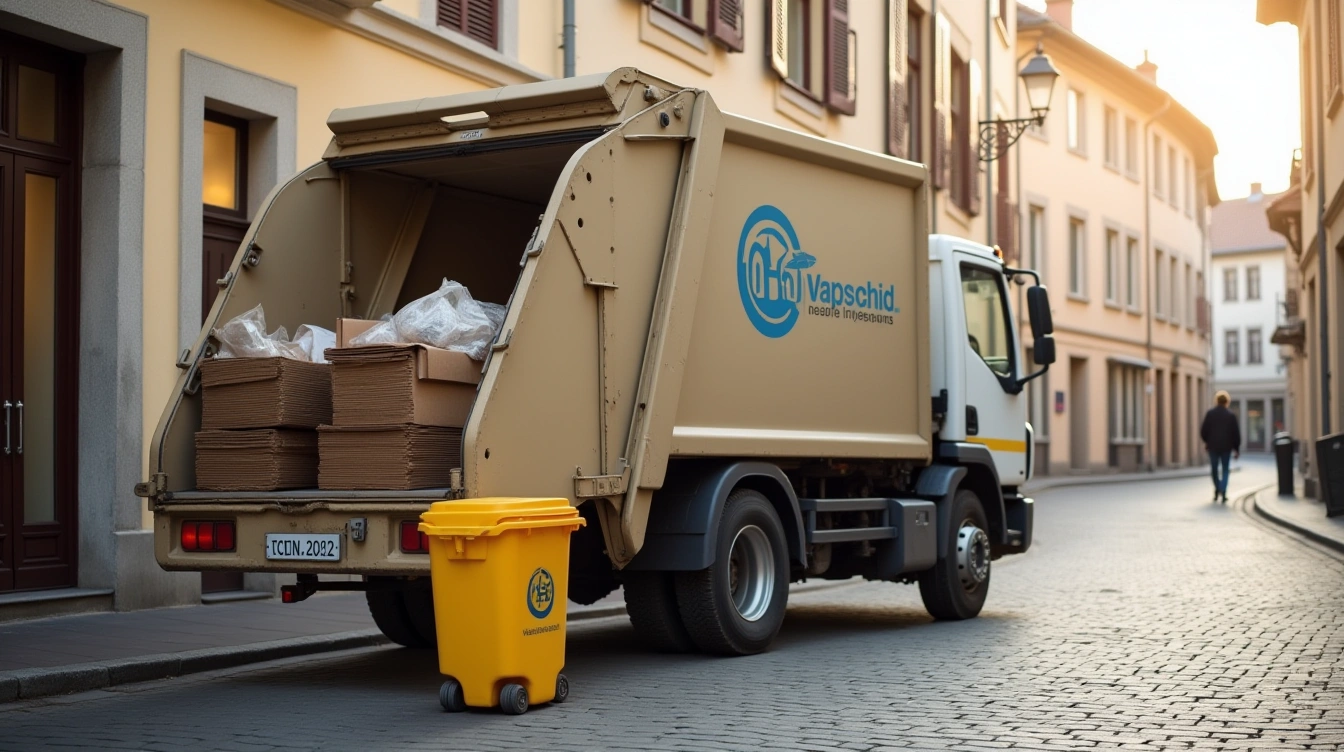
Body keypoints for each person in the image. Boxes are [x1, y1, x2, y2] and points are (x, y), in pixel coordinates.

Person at [1200, 391, 1241, 503]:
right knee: (1225, 470)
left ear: (1216, 401)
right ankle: (1223, 490)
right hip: (1226, 447)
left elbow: (1203, 431)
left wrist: (1207, 441)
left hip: (1213, 447)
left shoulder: (1210, 414)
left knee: (1214, 469)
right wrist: (1236, 449)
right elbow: (1236, 434)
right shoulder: (1231, 415)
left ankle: (1218, 488)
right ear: (1227, 402)